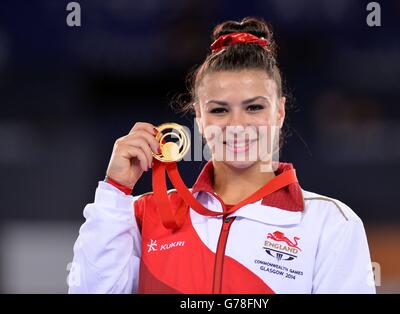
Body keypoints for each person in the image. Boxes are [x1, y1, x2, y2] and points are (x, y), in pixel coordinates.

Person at [68, 17, 376, 294]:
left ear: (279, 111)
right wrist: (115, 190)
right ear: (200, 118)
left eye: (254, 107)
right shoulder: (145, 214)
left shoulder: (330, 224)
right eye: (219, 110)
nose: (237, 124)